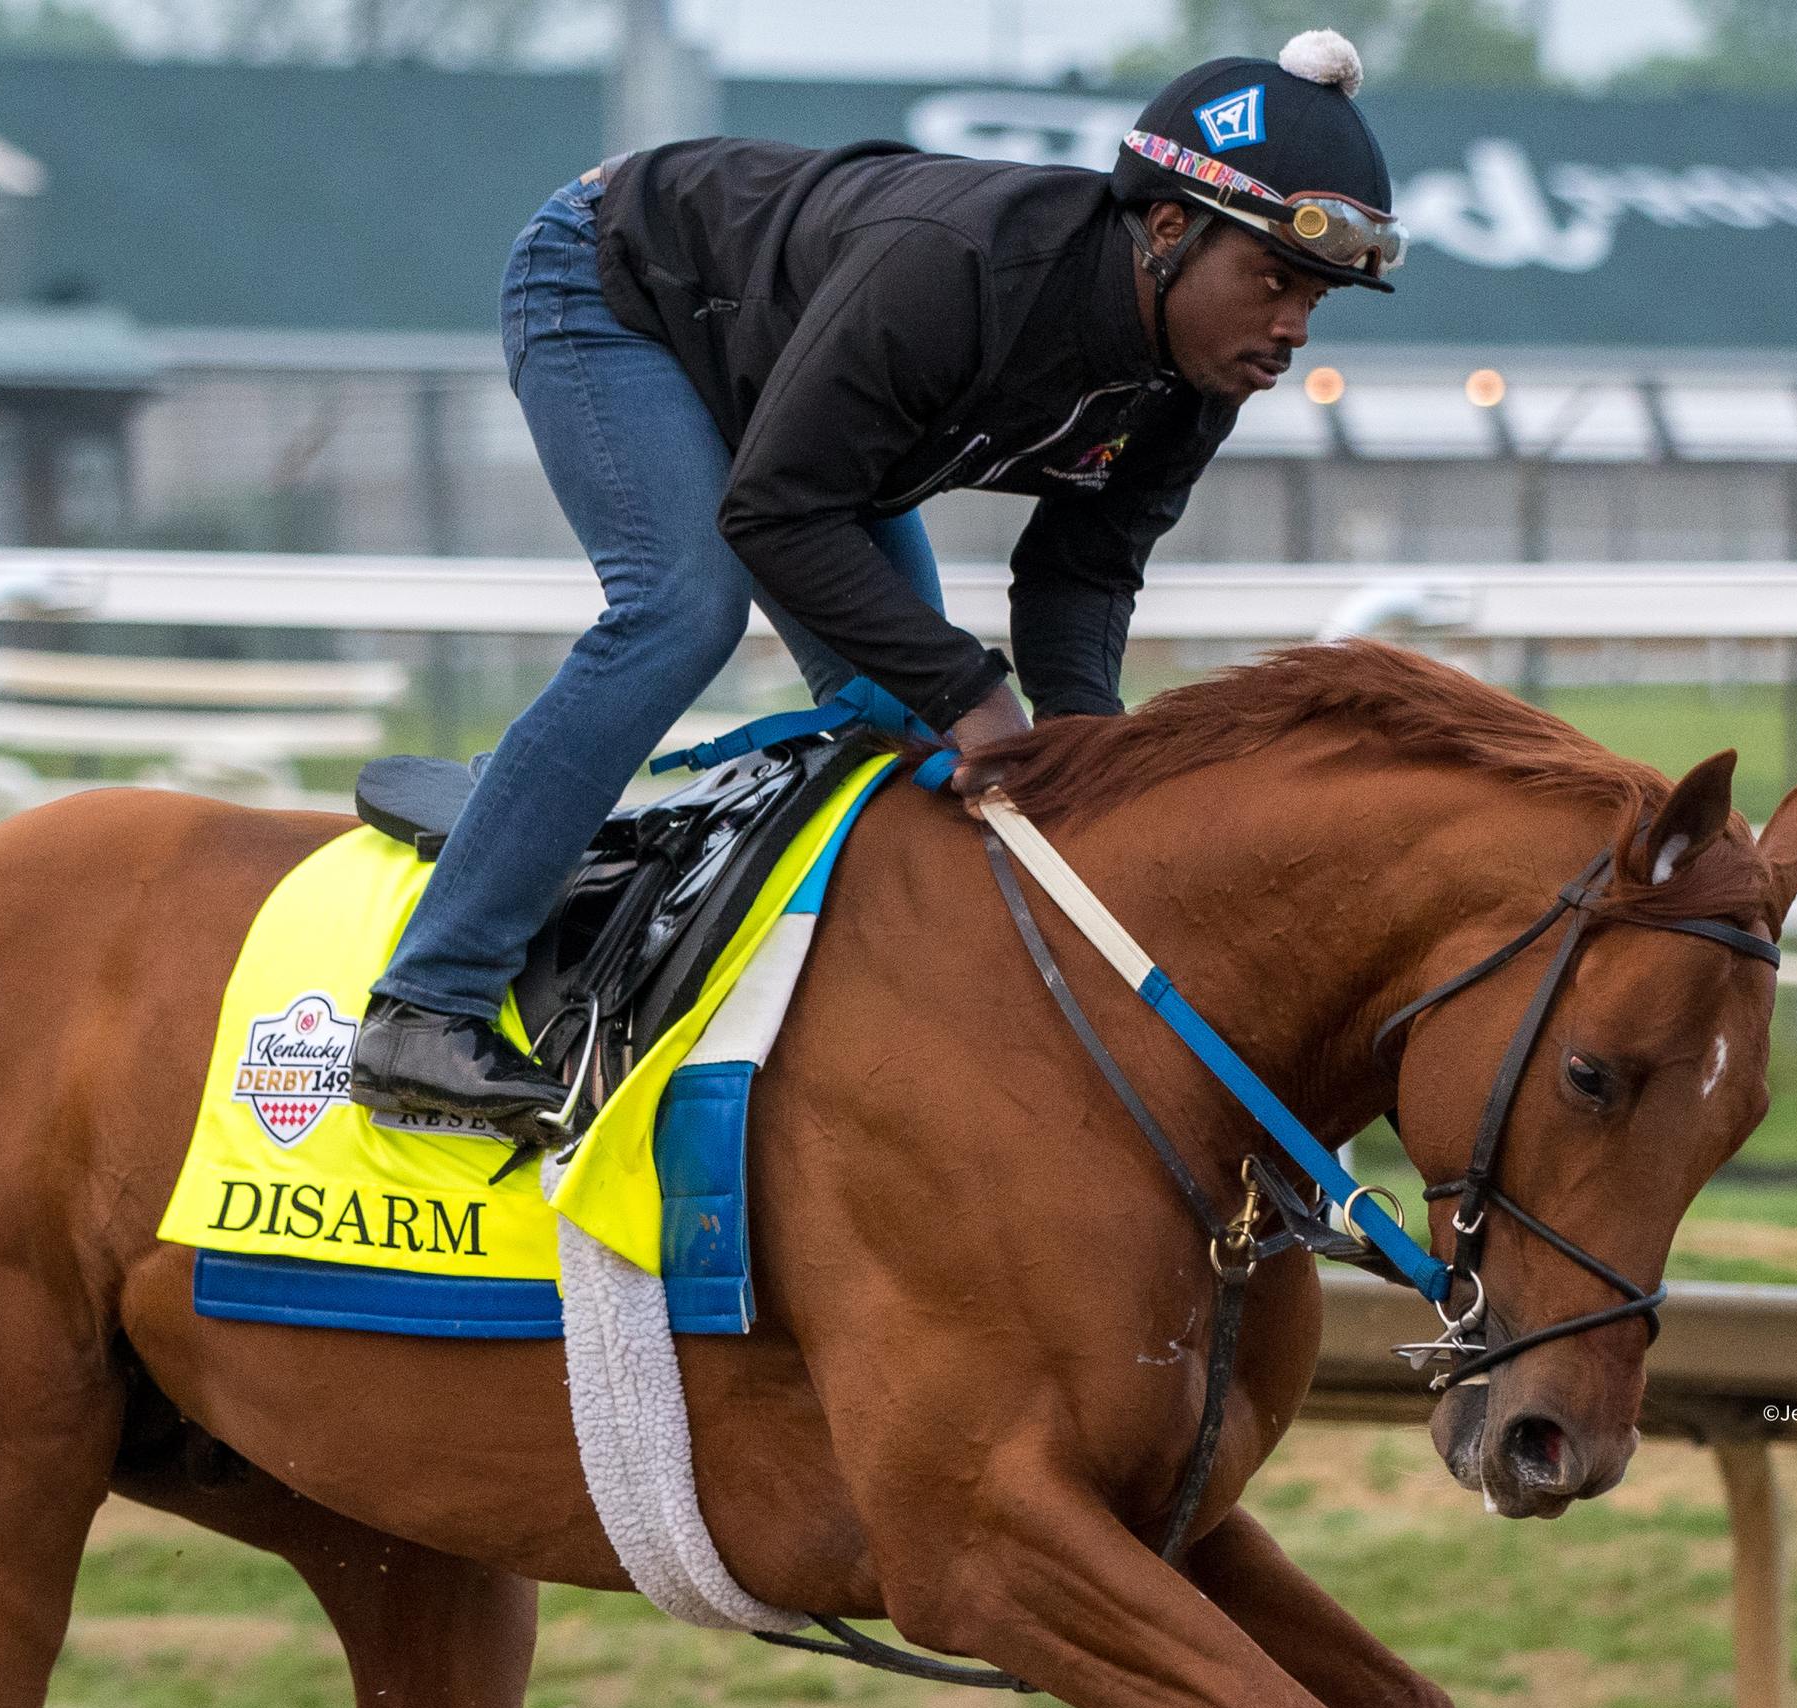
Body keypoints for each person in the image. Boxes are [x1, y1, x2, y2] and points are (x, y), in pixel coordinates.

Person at [349, 29, 1408, 1141]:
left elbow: (1080, 570)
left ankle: (559, 829)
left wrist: (1091, 759)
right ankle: (428, 1000)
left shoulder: (1201, 371)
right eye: (1274, 279)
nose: (1291, 328)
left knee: (917, 735)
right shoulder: (955, 271)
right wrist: (976, 695)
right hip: (615, 282)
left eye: (1318, 300)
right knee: (684, 608)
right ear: (1167, 227)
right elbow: (770, 514)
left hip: (802, 403)